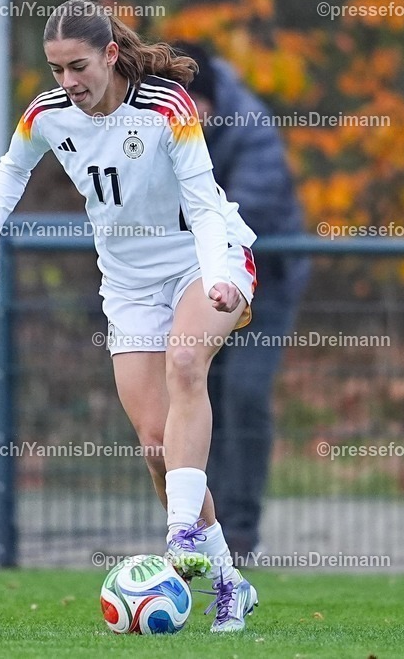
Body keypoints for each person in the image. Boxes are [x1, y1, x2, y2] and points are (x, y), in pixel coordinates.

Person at [0, 0, 259, 631]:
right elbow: (10, 172)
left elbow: (205, 204)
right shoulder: (47, 116)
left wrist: (222, 278)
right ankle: (229, 581)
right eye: (56, 69)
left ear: (111, 55)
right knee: (157, 445)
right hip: (126, 285)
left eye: (78, 66)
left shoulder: (167, 108)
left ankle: (180, 536)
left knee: (186, 362)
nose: (67, 82)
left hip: (202, 260)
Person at [172, 42, 311, 566]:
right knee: (193, 388)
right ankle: (200, 525)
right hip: (195, 278)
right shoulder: (156, 123)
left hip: (262, 280)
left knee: (244, 395)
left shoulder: (250, 128)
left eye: (194, 110)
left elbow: (245, 210)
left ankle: (242, 529)